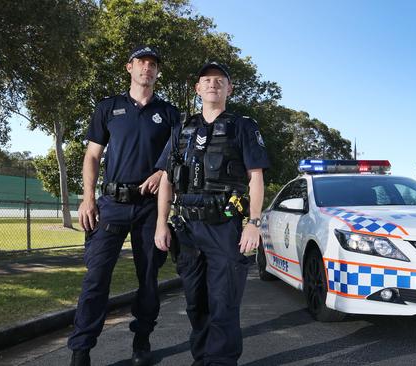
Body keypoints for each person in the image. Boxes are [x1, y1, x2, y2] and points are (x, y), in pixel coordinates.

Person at [68, 45, 179, 366]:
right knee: (96, 278)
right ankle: (81, 350)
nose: (147, 67)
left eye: (153, 64)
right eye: (141, 62)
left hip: (150, 209)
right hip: (111, 204)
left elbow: (177, 159)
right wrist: (88, 198)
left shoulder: (169, 114)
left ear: (157, 72)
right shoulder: (108, 108)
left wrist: (162, 171)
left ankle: (142, 340)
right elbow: (91, 156)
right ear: (129, 67)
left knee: (148, 278)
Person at [154, 62, 269, 366]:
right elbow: (166, 179)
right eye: (206, 80)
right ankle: (201, 358)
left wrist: (253, 224)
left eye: (220, 81)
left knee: (223, 303)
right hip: (186, 229)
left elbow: (255, 178)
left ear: (229, 89)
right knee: (196, 304)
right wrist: (159, 225)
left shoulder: (243, 126)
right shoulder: (182, 128)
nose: (213, 85)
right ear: (197, 88)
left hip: (224, 227)